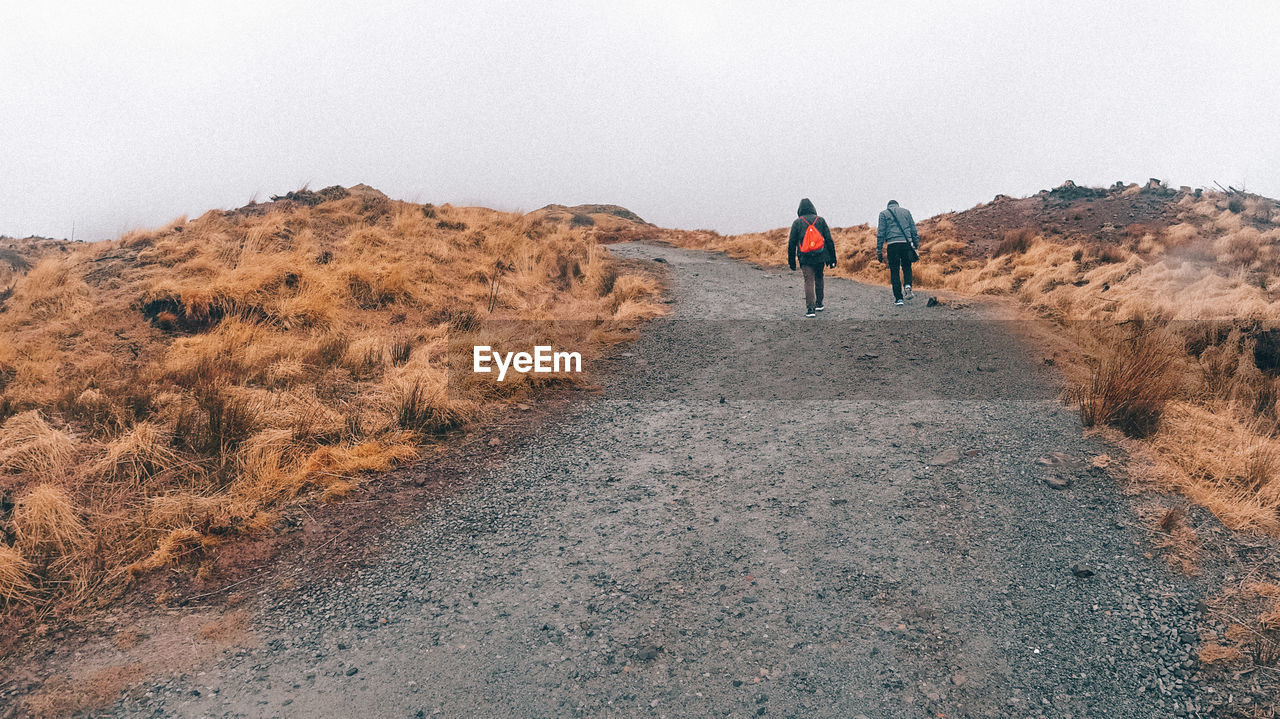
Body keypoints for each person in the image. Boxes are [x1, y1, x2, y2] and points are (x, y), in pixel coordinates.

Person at [787, 198, 837, 317]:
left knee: (808, 281)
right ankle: (819, 304)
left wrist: (791, 261)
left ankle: (810, 310)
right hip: (821, 255)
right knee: (819, 278)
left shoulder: (797, 223)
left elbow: (792, 243)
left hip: (805, 257)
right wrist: (832, 258)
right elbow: (829, 240)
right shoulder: (820, 221)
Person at [876, 200, 920, 306]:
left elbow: (880, 233)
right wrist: (916, 245)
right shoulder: (906, 212)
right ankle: (908, 285)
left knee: (894, 271)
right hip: (906, 244)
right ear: (898, 205)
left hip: (892, 245)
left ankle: (899, 299)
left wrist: (879, 251)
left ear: (888, 206)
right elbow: (913, 230)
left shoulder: (883, 214)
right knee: (907, 266)